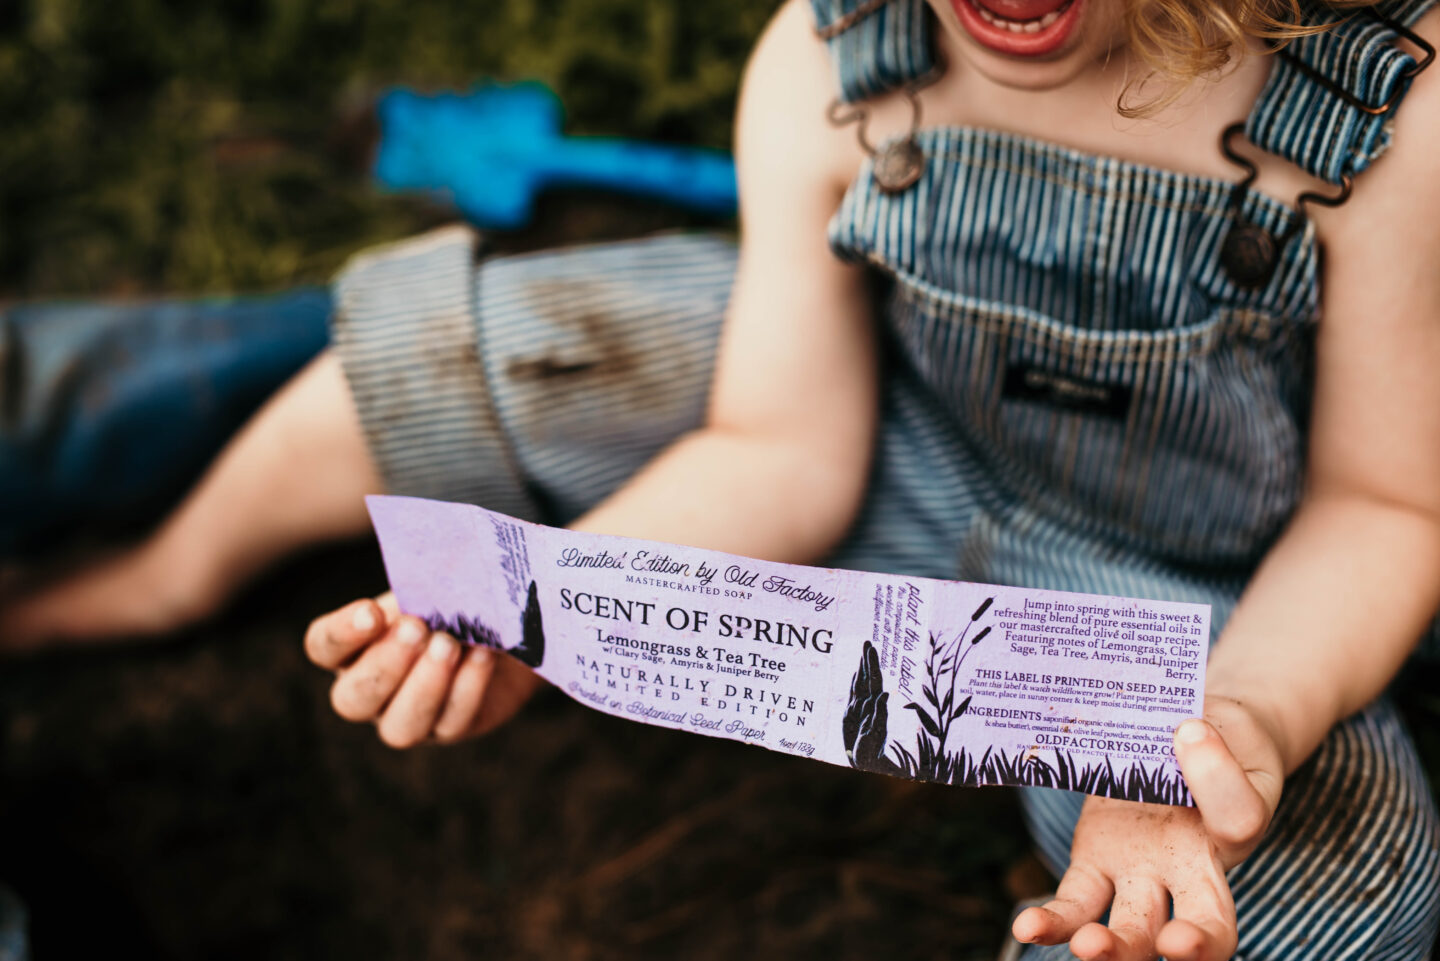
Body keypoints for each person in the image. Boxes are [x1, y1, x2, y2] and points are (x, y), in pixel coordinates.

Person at [7, 0, 1440, 956]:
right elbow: (781, 449)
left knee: (1334, 892)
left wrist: (1234, 719)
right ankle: (163, 573)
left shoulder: (1380, 118)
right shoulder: (835, 60)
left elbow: (1386, 504)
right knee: (511, 340)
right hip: (894, 433)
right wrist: (553, 606)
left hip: (1199, 600)